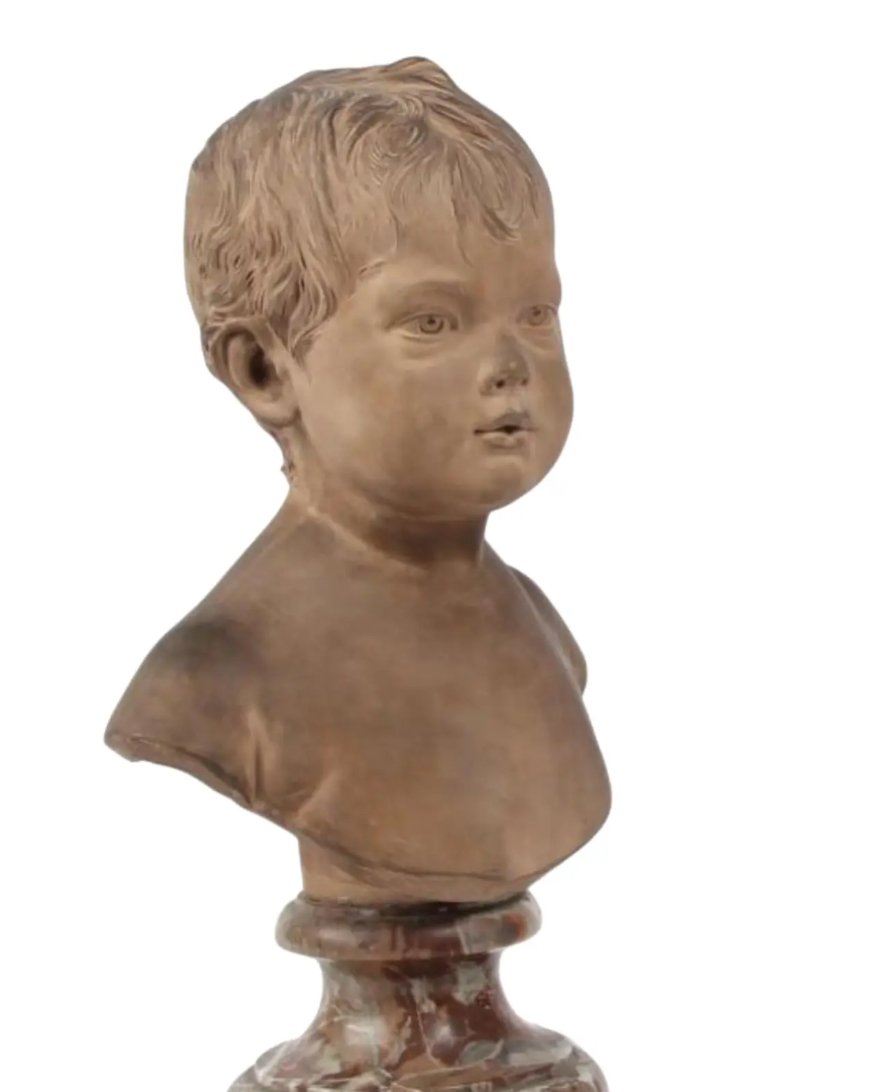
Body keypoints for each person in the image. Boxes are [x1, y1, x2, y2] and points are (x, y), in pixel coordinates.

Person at [105, 57, 611, 904]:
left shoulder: (541, 630)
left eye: (535, 313)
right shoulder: (224, 677)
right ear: (265, 369)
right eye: (432, 321)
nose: (508, 361)